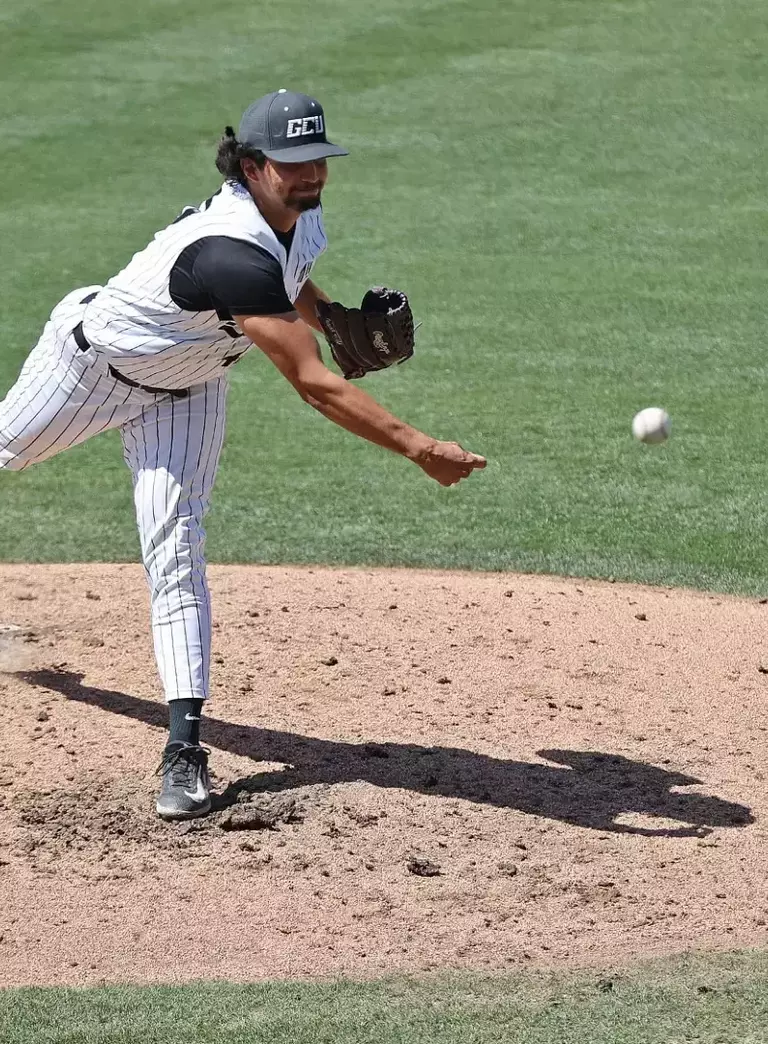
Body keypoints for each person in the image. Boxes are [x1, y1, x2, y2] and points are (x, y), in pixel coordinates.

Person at [0, 89, 487, 820]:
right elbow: (316, 384)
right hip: (89, 371)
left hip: (190, 389)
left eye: (319, 160)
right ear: (253, 166)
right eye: (294, 165)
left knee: (177, 550)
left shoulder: (303, 214)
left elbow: (287, 281)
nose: (312, 176)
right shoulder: (226, 248)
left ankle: (184, 752)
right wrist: (421, 449)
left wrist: (328, 315)